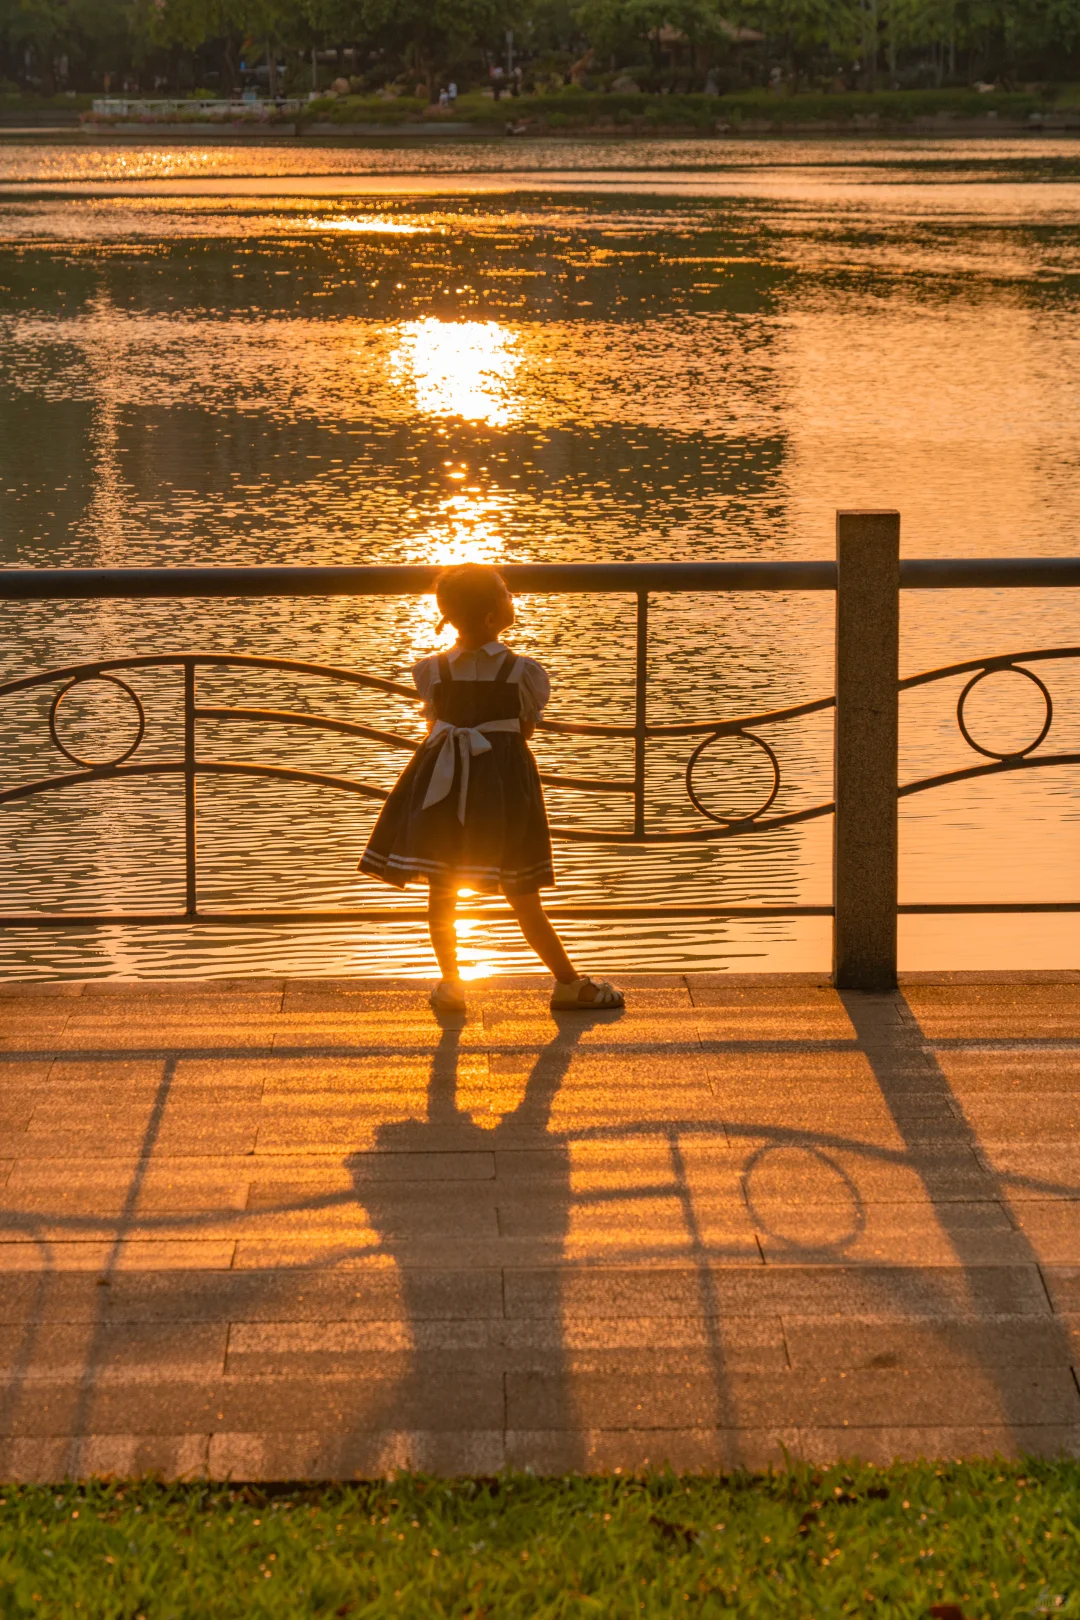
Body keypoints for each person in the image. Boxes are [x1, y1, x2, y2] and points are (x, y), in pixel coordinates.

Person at [359, 563, 625, 1016]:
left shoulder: (433, 670)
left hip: (441, 785)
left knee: (441, 890)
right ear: (489, 616)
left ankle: (451, 984)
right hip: (503, 790)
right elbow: (524, 731)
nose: (511, 598)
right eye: (505, 593)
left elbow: (433, 726)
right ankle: (567, 982)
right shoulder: (523, 672)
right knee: (522, 890)